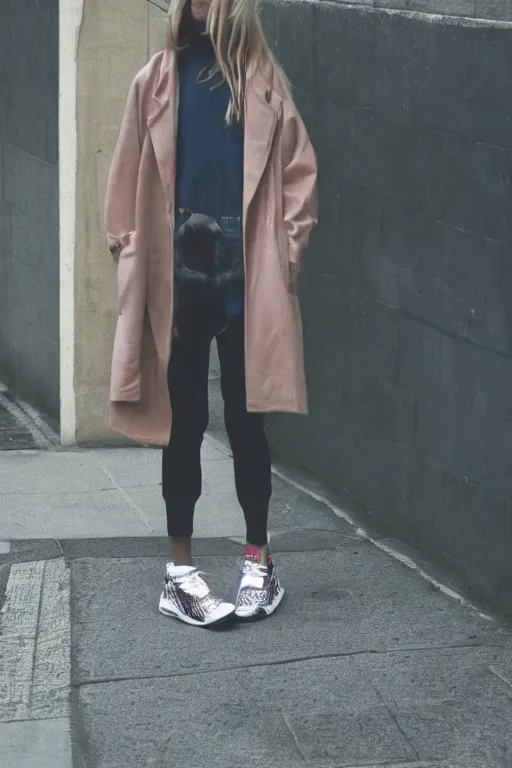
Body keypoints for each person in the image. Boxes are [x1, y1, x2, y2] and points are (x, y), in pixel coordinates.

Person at [104, 0, 317, 627]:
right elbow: (123, 182)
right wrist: (130, 255)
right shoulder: (158, 76)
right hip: (180, 276)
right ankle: (180, 572)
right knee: (183, 421)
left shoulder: (262, 79)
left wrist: (286, 253)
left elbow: (300, 174)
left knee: (247, 422)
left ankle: (259, 563)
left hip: (247, 279)